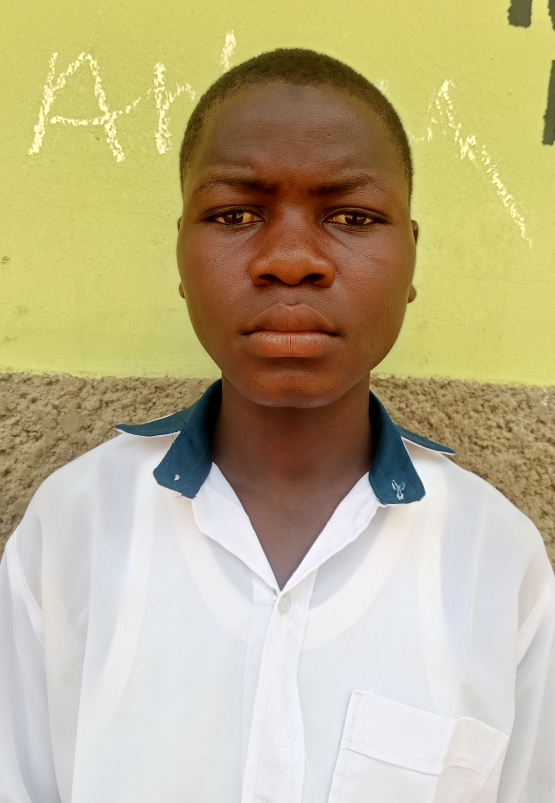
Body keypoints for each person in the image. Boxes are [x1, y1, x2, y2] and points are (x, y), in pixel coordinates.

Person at [0, 48, 553, 803]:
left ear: (411, 258)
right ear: (180, 253)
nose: (291, 261)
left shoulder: (495, 557)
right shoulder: (78, 525)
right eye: (235, 215)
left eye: (352, 217)